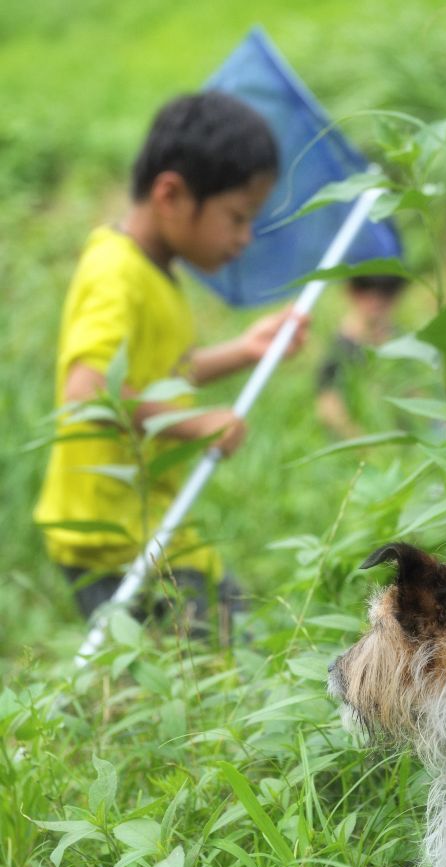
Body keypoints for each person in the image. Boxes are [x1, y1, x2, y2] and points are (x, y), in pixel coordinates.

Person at [34, 91, 308, 639]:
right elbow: (87, 392)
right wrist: (194, 423)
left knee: (228, 643)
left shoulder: (155, 270)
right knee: (203, 657)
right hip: (109, 536)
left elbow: (159, 373)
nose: (243, 238)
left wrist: (242, 350)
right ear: (172, 194)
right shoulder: (115, 272)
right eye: (237, 216)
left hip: (151, 521)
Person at [316, 274, 406, 437]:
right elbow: (328, 404)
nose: (376, 299)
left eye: (388, 290)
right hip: (360, 441)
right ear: (351, 291)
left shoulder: (402, 340)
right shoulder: (340, 349)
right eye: (364, 287)